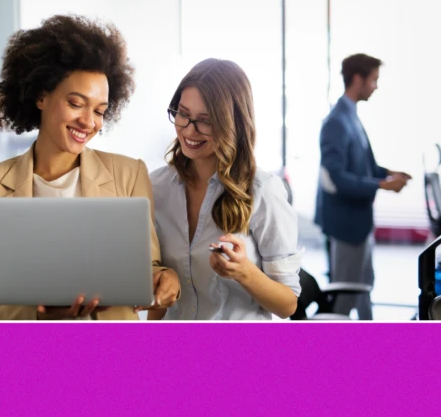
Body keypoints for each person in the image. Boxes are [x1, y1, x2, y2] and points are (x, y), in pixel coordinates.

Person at [0, 14, 181, 320]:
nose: (88, 122)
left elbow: (146, 268)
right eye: (76, 103)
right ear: (41, 96)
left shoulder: (129, 174)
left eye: (99, 111)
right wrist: (45, 314)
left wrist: (166, 279)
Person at [150, 58, 303, 320]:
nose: (188, 130)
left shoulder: (263, 191)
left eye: (205, 121)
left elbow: (287, 304)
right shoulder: (156, 187)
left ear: (233, 123)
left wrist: (244, 271)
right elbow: (161, 302)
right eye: (183, 113)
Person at [314, 53, 412, 320]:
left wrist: (390, 173)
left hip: (359, 222)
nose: (376, 86)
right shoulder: (336, 121)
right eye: (373, 80)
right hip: (347, 225)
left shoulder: (351, 116)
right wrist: (383, 184)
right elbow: (337, 178)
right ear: (357, 79)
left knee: (364, 286)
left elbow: (362, 165)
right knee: (346, 296)